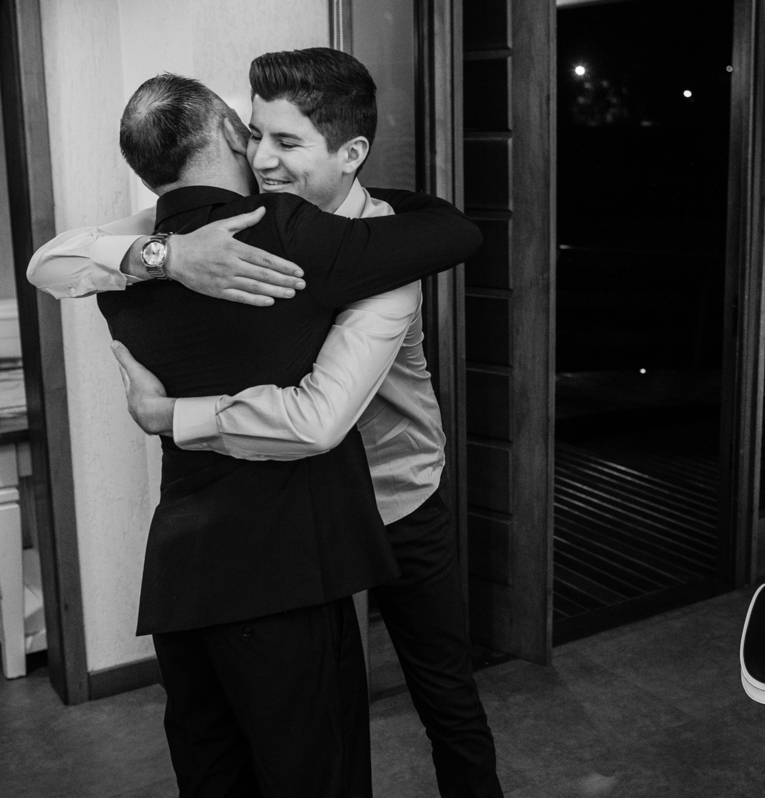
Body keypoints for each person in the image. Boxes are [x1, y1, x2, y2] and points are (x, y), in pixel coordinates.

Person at [29, 48, 504, 798]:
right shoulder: (233, 218)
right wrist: (166, 254)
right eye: (254, 136)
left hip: (395, 497)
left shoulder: (383, 246)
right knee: (314, 709)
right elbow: (52, 262)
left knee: (443, 696)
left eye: (286, 143)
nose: (263, 159)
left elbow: (321, 414)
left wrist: (169, 414)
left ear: (348, 154)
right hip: (304, 519)